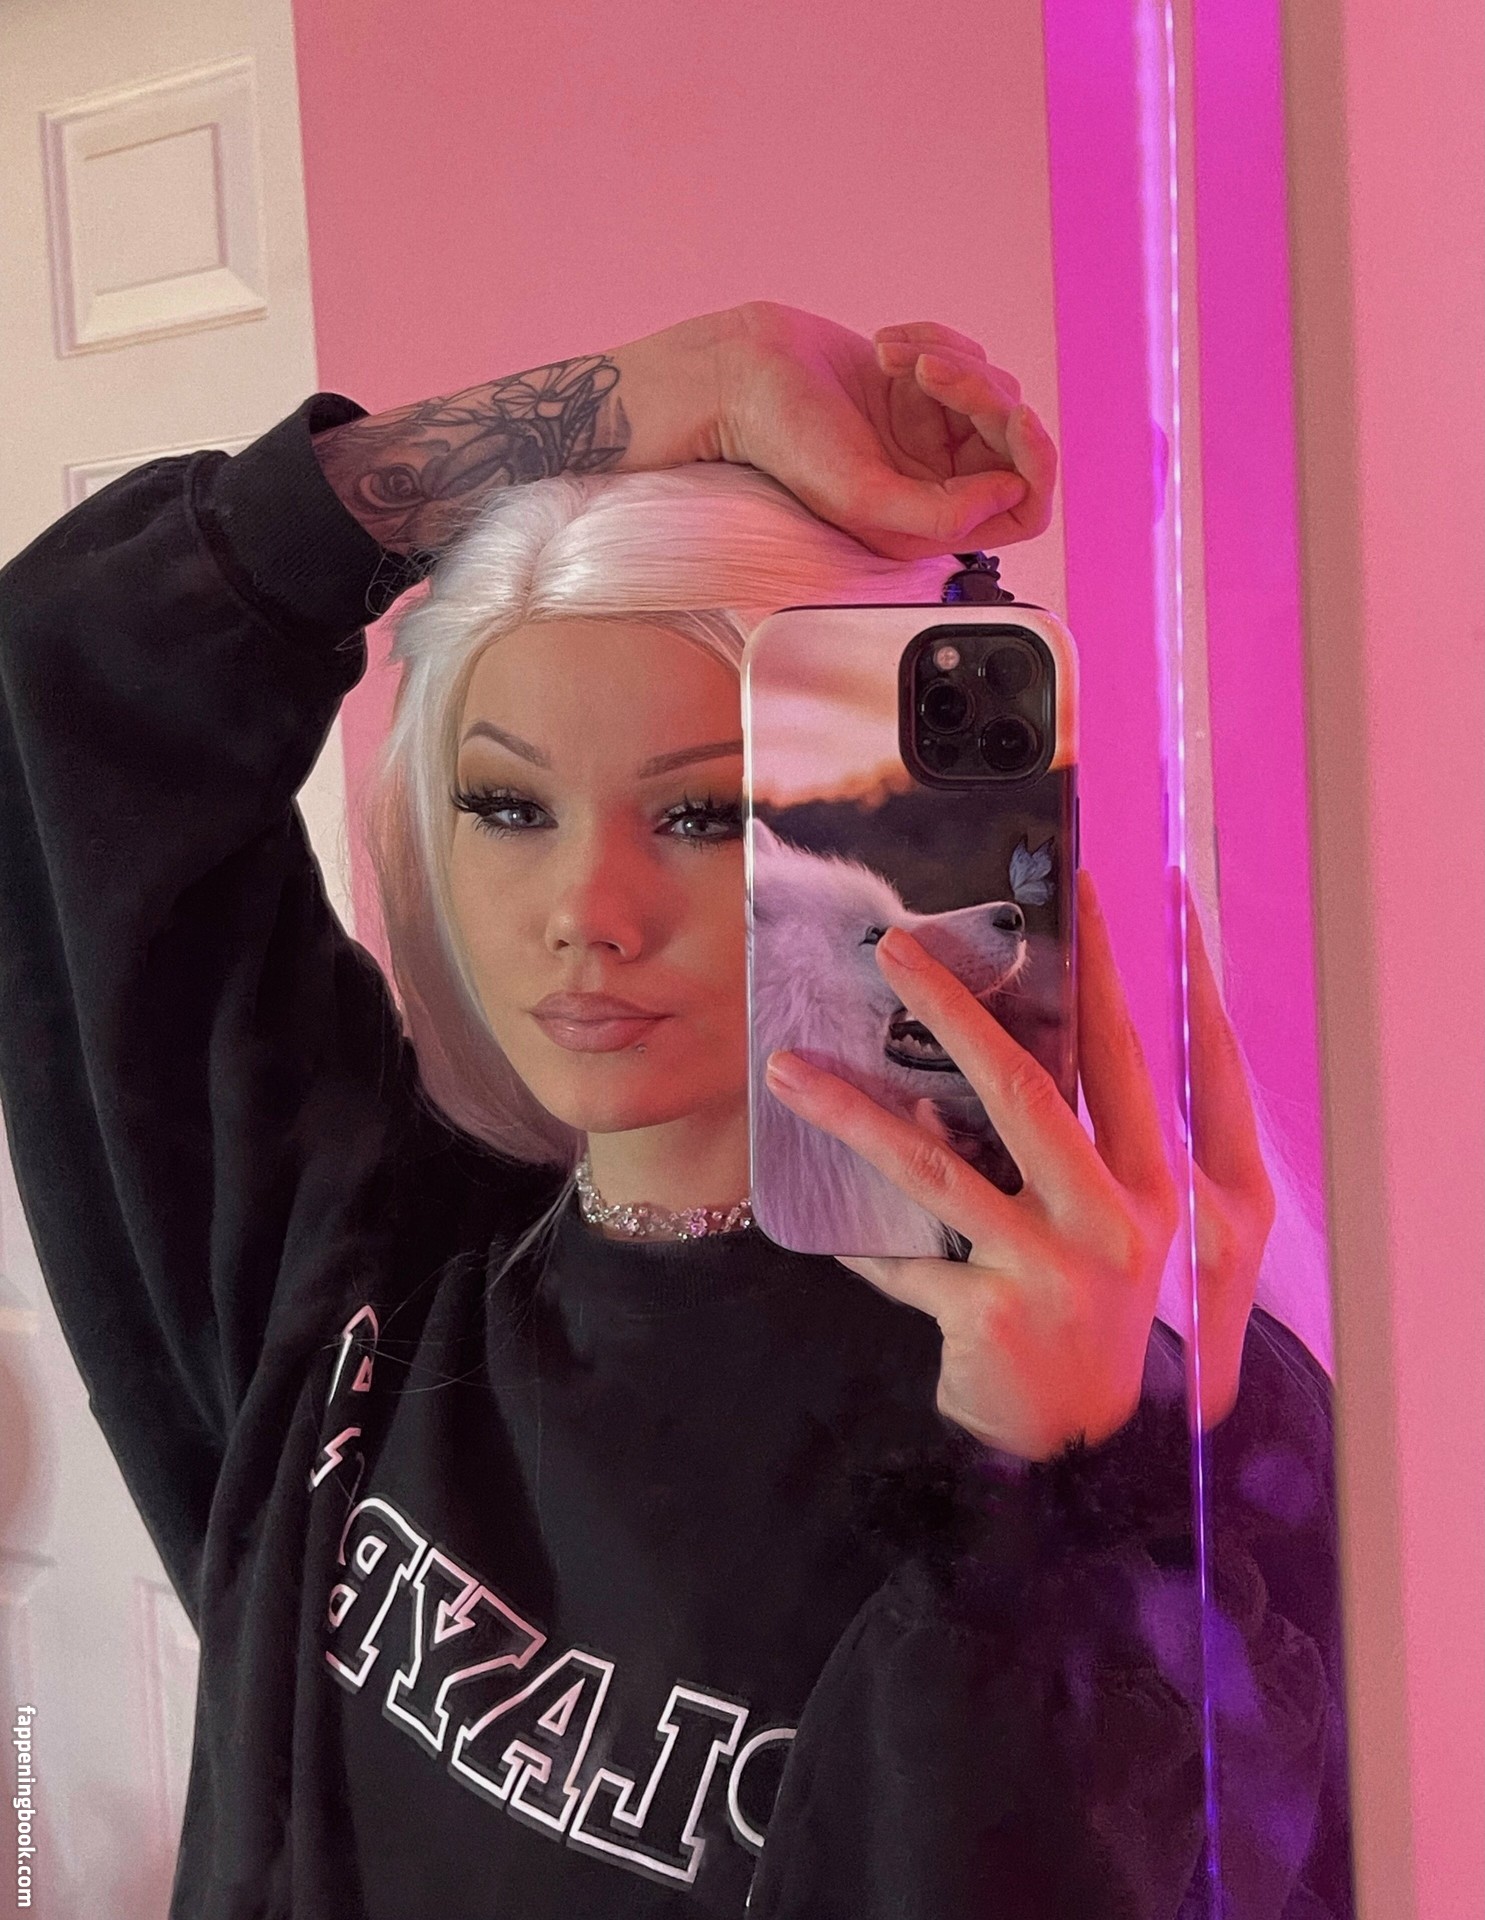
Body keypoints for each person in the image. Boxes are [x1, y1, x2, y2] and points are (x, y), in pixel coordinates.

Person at [0, 303, 1348, 1918]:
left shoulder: (1143, 1425)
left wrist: (1052, 1484)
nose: (585, 912)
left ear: (870, 842)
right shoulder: (360, 1261)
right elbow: (75, 665)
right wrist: (665, 394)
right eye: (507, 804)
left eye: (699, 815)